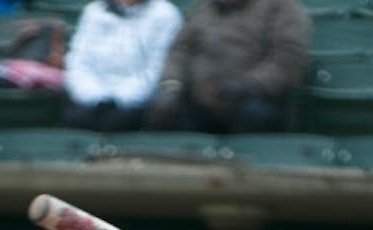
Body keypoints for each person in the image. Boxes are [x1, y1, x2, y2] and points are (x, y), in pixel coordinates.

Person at [146, 0, 310, 135]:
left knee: (254, 115)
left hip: (255, 98)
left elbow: (288, 61)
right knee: (163, 110)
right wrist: (171, 86)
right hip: (200, 98)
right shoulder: (203, 8)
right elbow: (180, 51)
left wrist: (248, 85)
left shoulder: (283, 8)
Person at [61, 0, 182, 133]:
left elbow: (156, 68)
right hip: (91, 100)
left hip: (138, 104)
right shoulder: (94, 11)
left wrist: (120, 101)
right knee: (75, 119)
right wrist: (94, 97)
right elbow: (79, 61)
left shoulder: (166, 14)